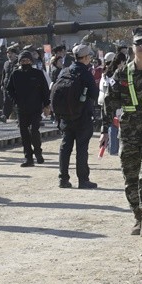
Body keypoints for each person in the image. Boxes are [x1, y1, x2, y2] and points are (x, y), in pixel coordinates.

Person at [103, 29, 142, 240]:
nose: (141, 46)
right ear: (132, 48)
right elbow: (109, 103)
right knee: (130, 178)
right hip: (128, 133)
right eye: (138, 43)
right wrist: (105, 130)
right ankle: (137, 216)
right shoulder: (120, 74)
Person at [55, 44, 99, 189]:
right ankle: (83, 180)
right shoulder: (85, 73)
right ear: (85, 57)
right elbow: (94, 94)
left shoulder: (65, 71)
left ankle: (63, 179)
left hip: (65, 116)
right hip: (82, 117)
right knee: (81, 148)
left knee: (65, 147)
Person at [5, 49, 51, 166]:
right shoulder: (15, 74)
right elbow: (9, 89)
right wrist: (16, 101)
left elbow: (45, 90)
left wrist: (46, 105)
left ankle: (38, 152)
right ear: (19, 62)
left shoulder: (38, 73)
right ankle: (28, 158)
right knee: (24, 133)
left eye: (27, 60)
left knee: (34, 131)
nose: (25, 62)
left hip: (36, 108)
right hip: (21, 109)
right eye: (23, 61)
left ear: (31, 61)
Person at [0, 45, 20, 122]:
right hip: (6, 85)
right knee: (6, 102)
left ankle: (19, 118)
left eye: (11, 53)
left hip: (15, 86)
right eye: (8, 53)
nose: (9, 55)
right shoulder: (6, 63)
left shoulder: (18, 63)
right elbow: (4, 74)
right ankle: (4, 116)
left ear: (15, 54)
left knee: (17, 103)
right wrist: (2, 84)